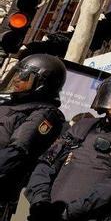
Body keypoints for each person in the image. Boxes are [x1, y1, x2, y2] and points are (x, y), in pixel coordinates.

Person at [26, 71, 111, 221]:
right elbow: (47, 162)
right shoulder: (83, 125)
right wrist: (40, 202)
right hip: (49, 211)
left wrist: (69, 212)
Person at [0, 54, 66, 221]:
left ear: (41, 84)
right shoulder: (8, 105)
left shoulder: (44, 113)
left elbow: (15, 153)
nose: (16, 80)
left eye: (24, 77)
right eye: (17, 74)